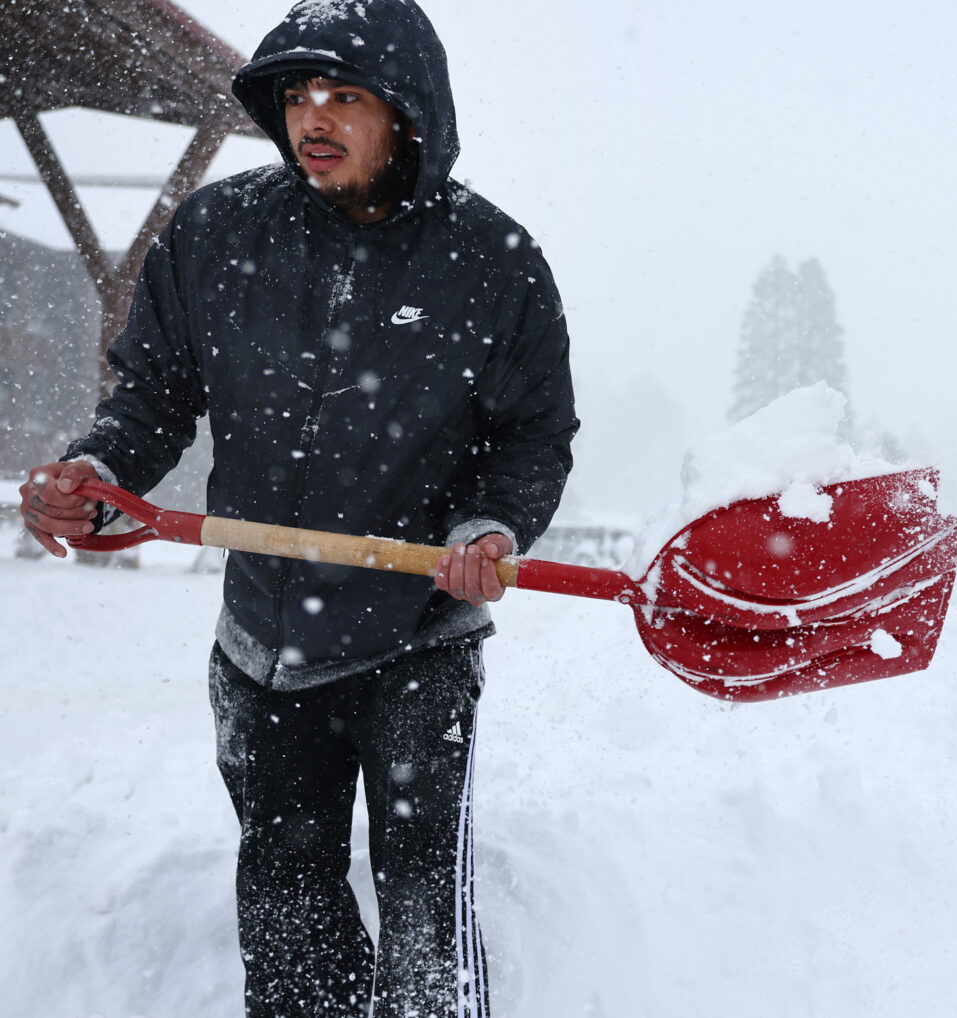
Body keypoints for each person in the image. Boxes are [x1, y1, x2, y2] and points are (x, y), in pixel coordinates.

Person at [17, 1, 578, 1014]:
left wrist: (488, 529)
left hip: (417, 632)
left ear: (407, 112)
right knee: (283, 895)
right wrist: (99, 472)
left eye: (345, 96)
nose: (312, 118)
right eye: (297, 96)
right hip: (261, 632)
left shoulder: (492, 262)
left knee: (422, 910)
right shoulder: (218, 234)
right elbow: (151, 397)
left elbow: (534, 438)